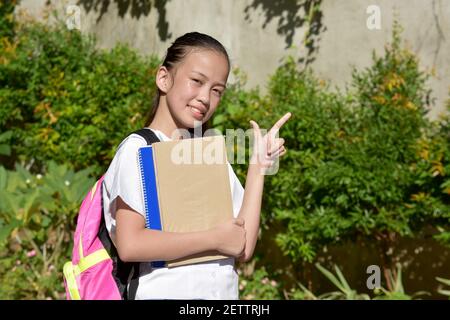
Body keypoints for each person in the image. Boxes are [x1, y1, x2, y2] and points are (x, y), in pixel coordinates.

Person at [102, 32, 291, 300]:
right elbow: (130, 244)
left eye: (217, 90)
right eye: (197, 81)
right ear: (164, 78)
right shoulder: (138, 149)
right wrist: (213, 239)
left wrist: (258, 168)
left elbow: (242, 246)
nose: (205, 97)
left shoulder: (209, 155)